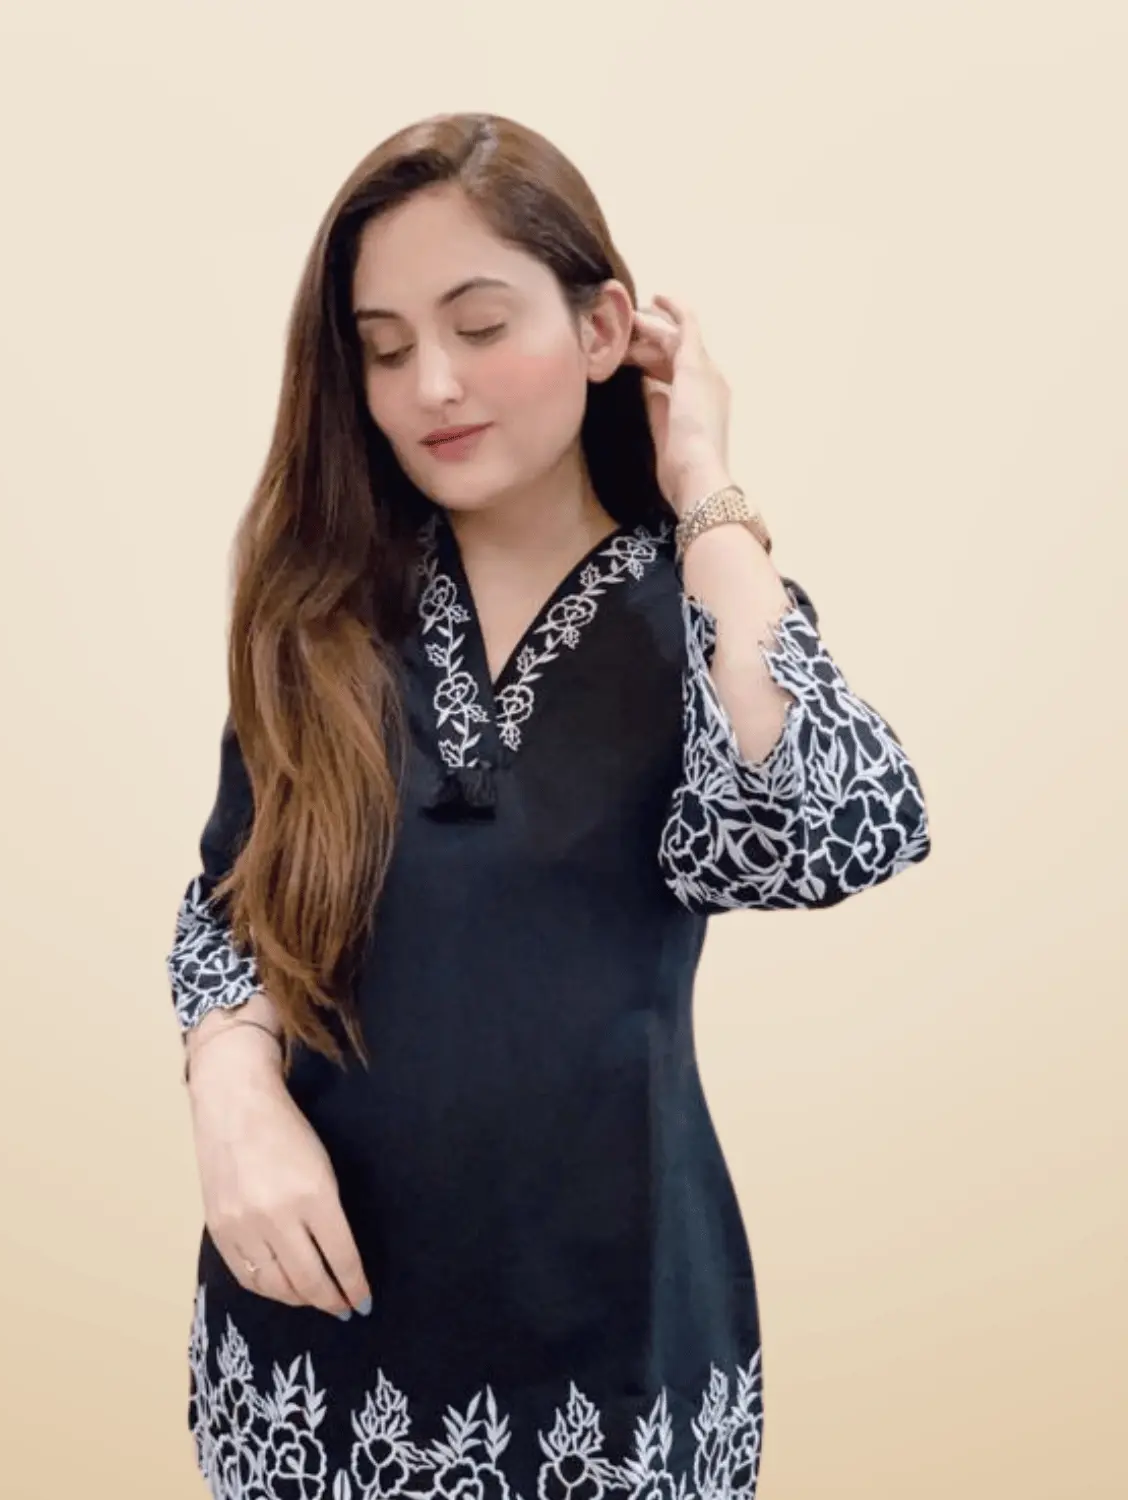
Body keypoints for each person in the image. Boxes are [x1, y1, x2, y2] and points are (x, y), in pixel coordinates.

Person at [165, 111, 930, 1500]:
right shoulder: (320, 619)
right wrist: (230, 1094)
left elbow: (826, 830)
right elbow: (236, 906)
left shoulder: (706, 617)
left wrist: (707, 490)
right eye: (384, 347)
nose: (431, 385)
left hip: (611, 1359)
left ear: (602, 328)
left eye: (477, 325)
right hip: (309, 1346)